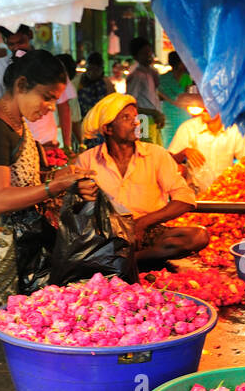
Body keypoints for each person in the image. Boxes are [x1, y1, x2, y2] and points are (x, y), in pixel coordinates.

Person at [0, 49, 97, 336]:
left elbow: (23, 180)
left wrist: (63, 178)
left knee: (21, 327)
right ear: (21, 85)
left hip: (20, 243)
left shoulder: (18, 125)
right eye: (46, 97)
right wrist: (54, 186)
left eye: (54, 100)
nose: (49, 107)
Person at [73, 93, 207, 264]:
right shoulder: (87, 160)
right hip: (106, 235)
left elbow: (185, 199)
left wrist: (141, 224)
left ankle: (130, 261)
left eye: (136, 117)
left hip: (148, 231)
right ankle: (121, 259)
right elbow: (79, 209)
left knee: (198, 236)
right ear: (108, 129)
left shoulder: (156, 154)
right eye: (126, 117)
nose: (135, 122)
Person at [0, 25, 75, 160]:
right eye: (11, 44)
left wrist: (67, 146)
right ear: (20, 86)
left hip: (47, 142)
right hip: (19, 146)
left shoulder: (50, 65)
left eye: (21, 42)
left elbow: (64, 107)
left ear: (30, 35)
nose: (16, 48)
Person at [167, 100, 245, 195]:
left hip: (225, 194)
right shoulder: (188, 128)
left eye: (208, 107)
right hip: (194, 194)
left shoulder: (235, 130)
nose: (204, 110)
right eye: (203, 108)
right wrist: (184, 152)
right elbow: (168, 161)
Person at [125, 37, 165, 145]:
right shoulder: (137, 75)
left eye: (149, 53)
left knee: (156, 152)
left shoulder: (152, 72)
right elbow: (130, 103)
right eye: (144, 53)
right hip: (143, 119)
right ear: (136, 56)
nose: (149, 56)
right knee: (146, 151)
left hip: (153, 119)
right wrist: (154, 112)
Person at [158, 51, 195, 146]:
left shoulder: (185, 77)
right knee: (170, 143)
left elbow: (187, 92)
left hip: (183, 113)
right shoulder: (164, 78)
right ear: (179, 63)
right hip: (171, 114)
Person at [77, 51, 117, 119]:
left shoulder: (106, 83)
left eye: (96, 70)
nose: (92, 73)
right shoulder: (78, 81)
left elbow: (113, 105)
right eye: (90, 69)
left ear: (101, 70)